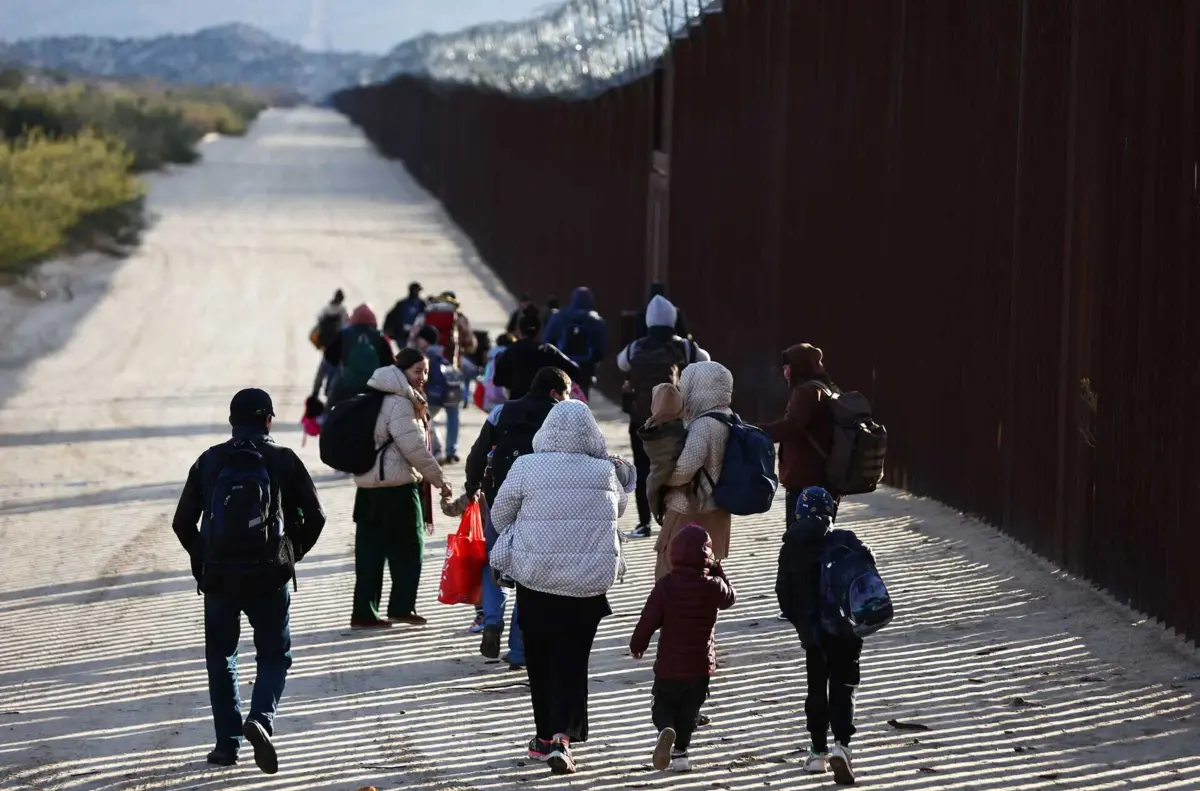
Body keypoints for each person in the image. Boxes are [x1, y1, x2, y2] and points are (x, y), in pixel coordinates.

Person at [171, 388, 326, 775]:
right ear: (269, 420)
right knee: (274, 655)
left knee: (222, 657)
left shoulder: (210, 460)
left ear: (231, 421)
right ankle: (261, 718)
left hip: (220, 577)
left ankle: (226, 746)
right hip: (268, 577)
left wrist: (204, 558)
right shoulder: (282, 459)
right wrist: (289, 556)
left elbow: (181, 522)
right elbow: (317, 516)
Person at [489, 400, 629, 775]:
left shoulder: (526, 467)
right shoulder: (605, 471)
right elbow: (618, 511)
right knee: (572, 662)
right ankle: (563, 738)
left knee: (540, 660)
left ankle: (544, 739)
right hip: (586, 586)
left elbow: (499, 516)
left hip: (537, 579)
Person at [462, 366, 573, 668]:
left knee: (493, 562)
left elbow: (477, 453)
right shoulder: (562, 418)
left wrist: (472, 488)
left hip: (501, 501)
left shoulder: (502, 412)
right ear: (554, 393)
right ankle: (519, 651)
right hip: (540, 509)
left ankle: (492, 621)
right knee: (527, 576)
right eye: (565, 393)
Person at [350, 348, 453, 629]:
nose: (423, 377)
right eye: (418, 371)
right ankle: (401, 606)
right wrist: (439, 479)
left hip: (367, 489)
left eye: (426, 371)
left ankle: (364, 612)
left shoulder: (373, 396)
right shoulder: (399, 403)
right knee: (409, 550)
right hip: (398, 491)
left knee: (370, 553)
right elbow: (414, 449)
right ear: (401, 371)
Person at [777, 486, 866, 786]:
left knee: (816, 690)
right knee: (844, 688)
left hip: (814, 635)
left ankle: (818, 753)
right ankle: (842, 744)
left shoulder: (790, 546)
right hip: (847, 632)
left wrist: (801, 623)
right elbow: (867, 572)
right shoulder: (845, 540)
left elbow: (783, 596)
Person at [630, 524, 736, 772]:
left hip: (669, 664)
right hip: (700, 664)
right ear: (707, 557)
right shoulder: (713, 585)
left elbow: (648, 620)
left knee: (663, 704)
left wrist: (638, 645)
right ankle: (681, 755)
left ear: (674, 554)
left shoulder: (666, 586)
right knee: (690, 711)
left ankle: (665, 729)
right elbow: (730, 597)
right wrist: (718, 569)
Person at [617, 295, 710, 539]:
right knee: (677, 469)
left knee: (644, 467)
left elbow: (621, 364)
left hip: (642, 420)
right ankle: (675, 519)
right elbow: (706, 360)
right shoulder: (683, 346)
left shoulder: (636, 347)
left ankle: (644, 523)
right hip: (675, 422)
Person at [655, 361, 733, 580]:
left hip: (691, 507)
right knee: (706, 571)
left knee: (670, 572)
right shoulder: (727, 416)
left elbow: (686, 468)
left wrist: (662, 479)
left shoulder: (703, 425)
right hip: (717, 507)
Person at [759, 344, 839, 523]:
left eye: (788, 366)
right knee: (823, 534)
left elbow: (792, 426)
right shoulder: (825, 387)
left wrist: (758, 431)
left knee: (800, 537)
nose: (785, 371)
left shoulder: (805, 392)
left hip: (805, 478)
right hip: (824, 476)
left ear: (799, 366)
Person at [494, 306, 582, 400]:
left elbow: (498, 380)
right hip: (546, 406)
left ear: (519, 330)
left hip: (517, 404)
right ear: (539, 331)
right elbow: (574, 369)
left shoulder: (509, 352)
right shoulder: (548, 351)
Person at [638, 383, 690, 526]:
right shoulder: (682, 430)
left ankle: (656, 514)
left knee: (653, 486)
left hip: (662, 485)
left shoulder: (650, 428)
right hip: (683, 496)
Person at [541, 286, 606, 397]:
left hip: (561, 365)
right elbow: (600, 349)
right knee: (582, 396)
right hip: (585, 368)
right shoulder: (596, 321)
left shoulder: (559, 317)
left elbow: (546, 341)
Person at [323, 304, 394, 404]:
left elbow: (330, 356)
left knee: (332, 403)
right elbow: (390, 364)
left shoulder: (345, 334)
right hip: (374, 388)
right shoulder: (380, 336)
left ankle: (324, 417)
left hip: (348, 387)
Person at [416, 325, 463, 464]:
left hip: (434, 395)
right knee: (453, 418)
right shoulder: (446, 352)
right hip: (451, 392)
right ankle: (451, 450)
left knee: (426, 419)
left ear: (424, 340)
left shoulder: (426, 355)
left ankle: (437, 449)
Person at [408, 291, 477, 368]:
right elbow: (470, 343)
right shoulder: (460, 318)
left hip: (426, 361)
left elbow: (412, 338)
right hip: (452, 359)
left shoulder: (424, 315)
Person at [310, 289, 349, 398]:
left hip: (326, 345)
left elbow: (318, 323)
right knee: (334, 372)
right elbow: (344, 327)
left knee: (322, 371)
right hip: (337, 346)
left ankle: (315, 392)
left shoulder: (326, 309)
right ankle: (329, 392)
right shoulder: (342, 311)